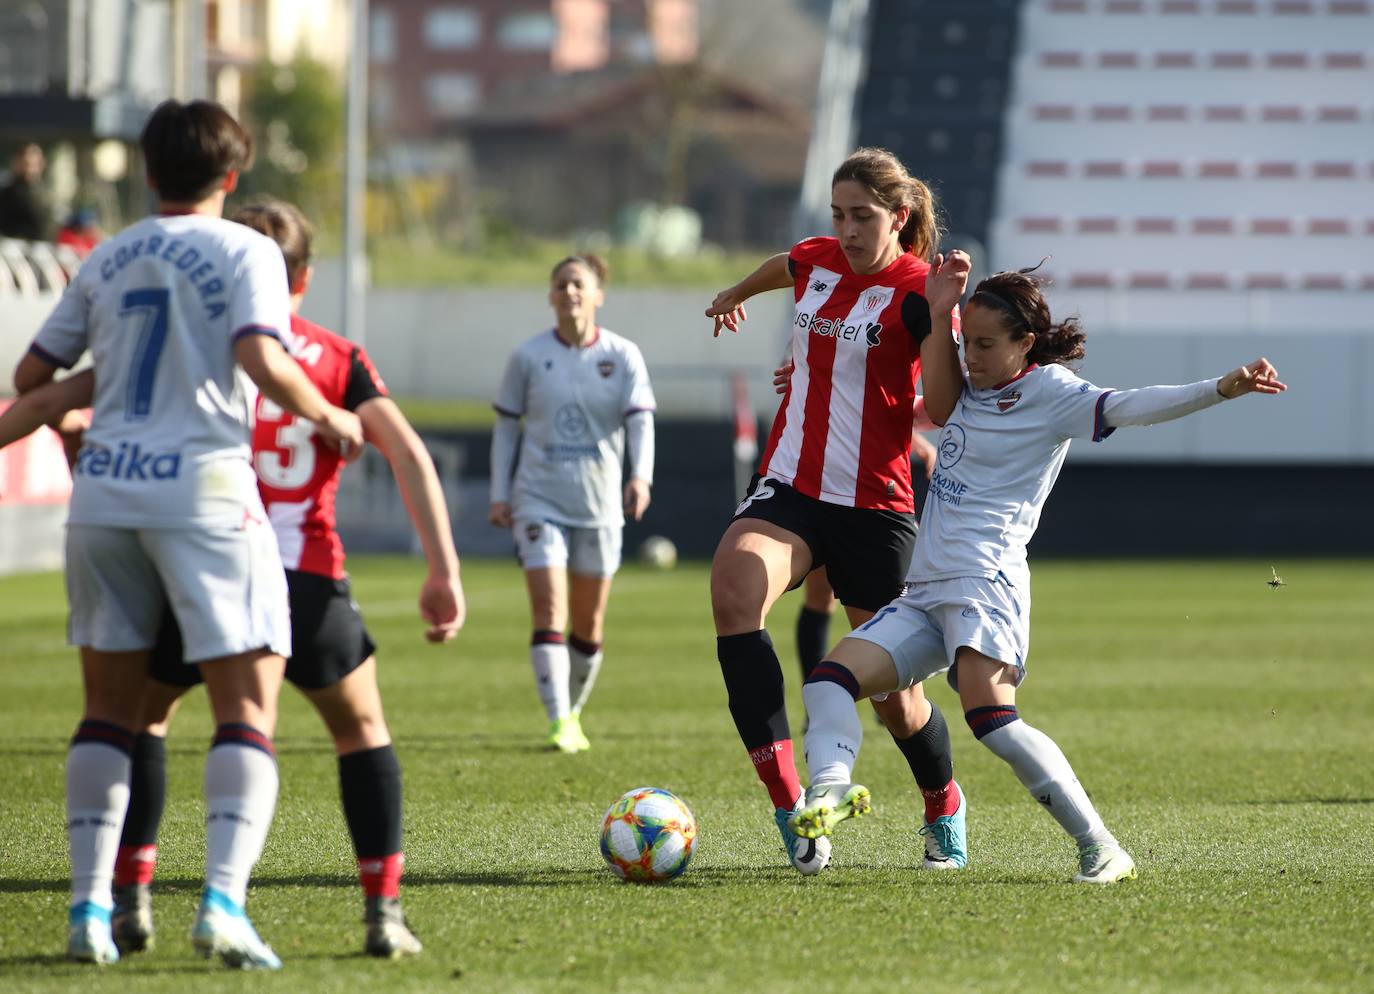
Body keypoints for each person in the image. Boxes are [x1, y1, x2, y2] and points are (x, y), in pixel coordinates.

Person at [790, 250, 1286, 883]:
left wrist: (1221, 387)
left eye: (987, 344)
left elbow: (1133, 404)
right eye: (966, 342)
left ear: (1026, 344)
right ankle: (830, 790)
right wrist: (814, 379)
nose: (972, 355)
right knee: (829, 680)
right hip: (925, 589)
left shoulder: (1051, 393)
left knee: (991, 721)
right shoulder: (963, 385)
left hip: (986, 583)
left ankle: (1100, 846)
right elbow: (892, 407)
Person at [11, 100, 364, 968]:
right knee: (247, 707)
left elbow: (33, 376)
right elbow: (258, 356)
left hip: (103, 499)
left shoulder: (110, 255)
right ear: (231, 176)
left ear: (146, 171)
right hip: (205, 495)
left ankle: (90, 911)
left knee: (108, 711)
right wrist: (328, 415)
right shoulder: (248, 250)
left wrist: (83, 423)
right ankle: (222, 905)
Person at [705, 147, 966, 876]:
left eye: (863, 217)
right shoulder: (819, 258)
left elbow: (941, 408)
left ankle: (943, 801)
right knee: (734, 589)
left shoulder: (919, 290)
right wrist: (734, 293)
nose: (847, 231)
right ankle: (793, 808)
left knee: (896, 702)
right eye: (839, 214)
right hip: (791, 485)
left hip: (874, 507)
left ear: (899, 217)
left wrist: (943, 321)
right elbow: (784, 262)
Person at [488, 253, 655, 754]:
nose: (569, 293)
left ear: (598, 295)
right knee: (549, 609)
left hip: (600, 505)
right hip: (539, 500)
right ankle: (560, 720)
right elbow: (504, 427)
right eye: (561, 285)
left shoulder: (623, 355)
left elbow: (640, 421)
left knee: (589, 625)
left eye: (578, 285)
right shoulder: (528, 357)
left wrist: (640, 478)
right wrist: (501, 492)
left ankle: (573, 710)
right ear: (551, 296)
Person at [0, 142, 52, 241]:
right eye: (26, 164)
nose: (30, 169)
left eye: (35, 164)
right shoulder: (7, 194)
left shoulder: (44, 192)